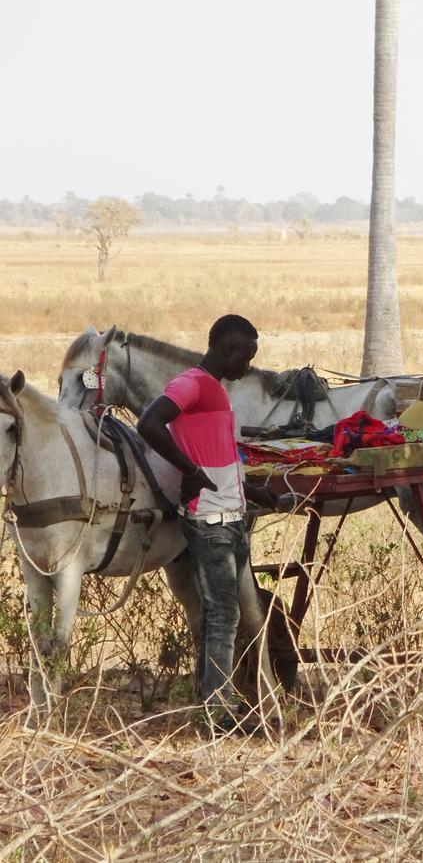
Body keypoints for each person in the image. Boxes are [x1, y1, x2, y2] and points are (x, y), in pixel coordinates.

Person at [137, 314, 289, 733]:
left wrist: (252, 491)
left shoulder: (215, 391)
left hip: (231, 514)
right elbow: (149, 423)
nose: (248, 366)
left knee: (224, 615)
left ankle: (217, 704)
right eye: (247, 357)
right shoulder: (193, 384)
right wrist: (189, 472)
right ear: (227, 349)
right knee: (223, 616)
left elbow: (220, 454)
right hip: (211, 521)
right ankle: (217, 715)